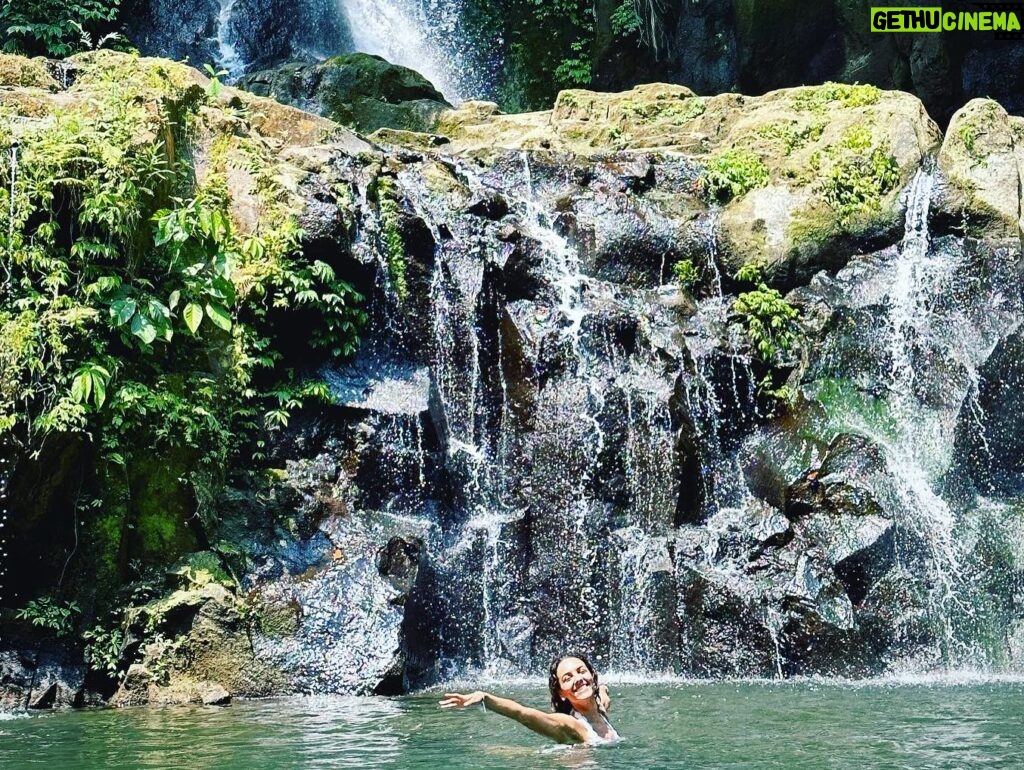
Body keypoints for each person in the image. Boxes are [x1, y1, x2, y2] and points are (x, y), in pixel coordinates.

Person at [438, 654, 619, 745]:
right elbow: (522, 713)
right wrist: (486, 698)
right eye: (567, 678)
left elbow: (603, 694)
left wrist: (602, 687)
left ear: (592, 676)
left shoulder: (599, 708)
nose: (578, 679)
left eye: (581, 672)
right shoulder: (571, 724)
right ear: (561, 693)